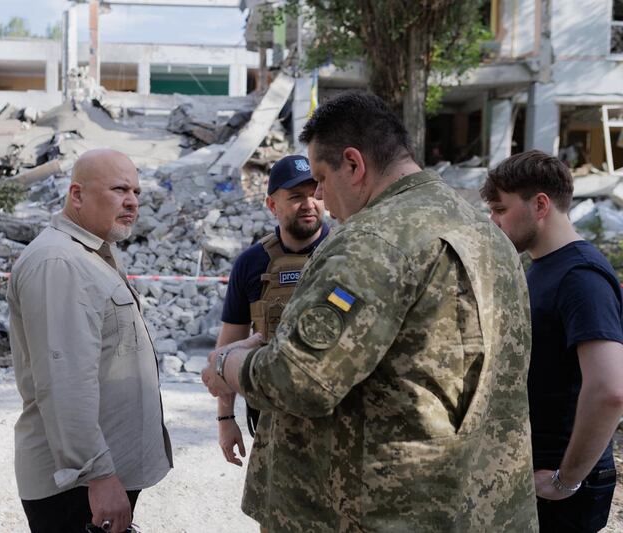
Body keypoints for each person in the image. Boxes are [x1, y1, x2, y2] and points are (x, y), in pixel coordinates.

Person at [201, 90, 538, 531]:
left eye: (321, 178)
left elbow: (299, 380)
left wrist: (228, 363)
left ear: (355, 165)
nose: (320, 196)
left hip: (370, 511)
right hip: (476, 505)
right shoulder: (485, 233)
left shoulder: (372, 240)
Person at [8, 149, 172, 533]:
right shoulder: (59, 263)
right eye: (119, 189)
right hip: (74, 486)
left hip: (93, 476)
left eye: (135, 191)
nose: (132, 200)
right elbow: (64, 382)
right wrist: (97, 475)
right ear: (76, 195)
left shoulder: (90, 254)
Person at [481, 150, 623, 533]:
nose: (493, 222)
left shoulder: (581, 276)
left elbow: (611, 390)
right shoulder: (544, 265)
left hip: (563, 485)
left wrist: (566, 479)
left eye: (500, 210)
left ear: (540, 204)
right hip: (538, 472)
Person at [216, 154, 329, 466]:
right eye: (295, 197)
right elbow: (229, 344)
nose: (309, 204)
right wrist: (225, 417)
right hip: (270, 413)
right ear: (272, 205)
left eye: (314, 193)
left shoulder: (347, 251)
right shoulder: (251, 263)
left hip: (335, 415)